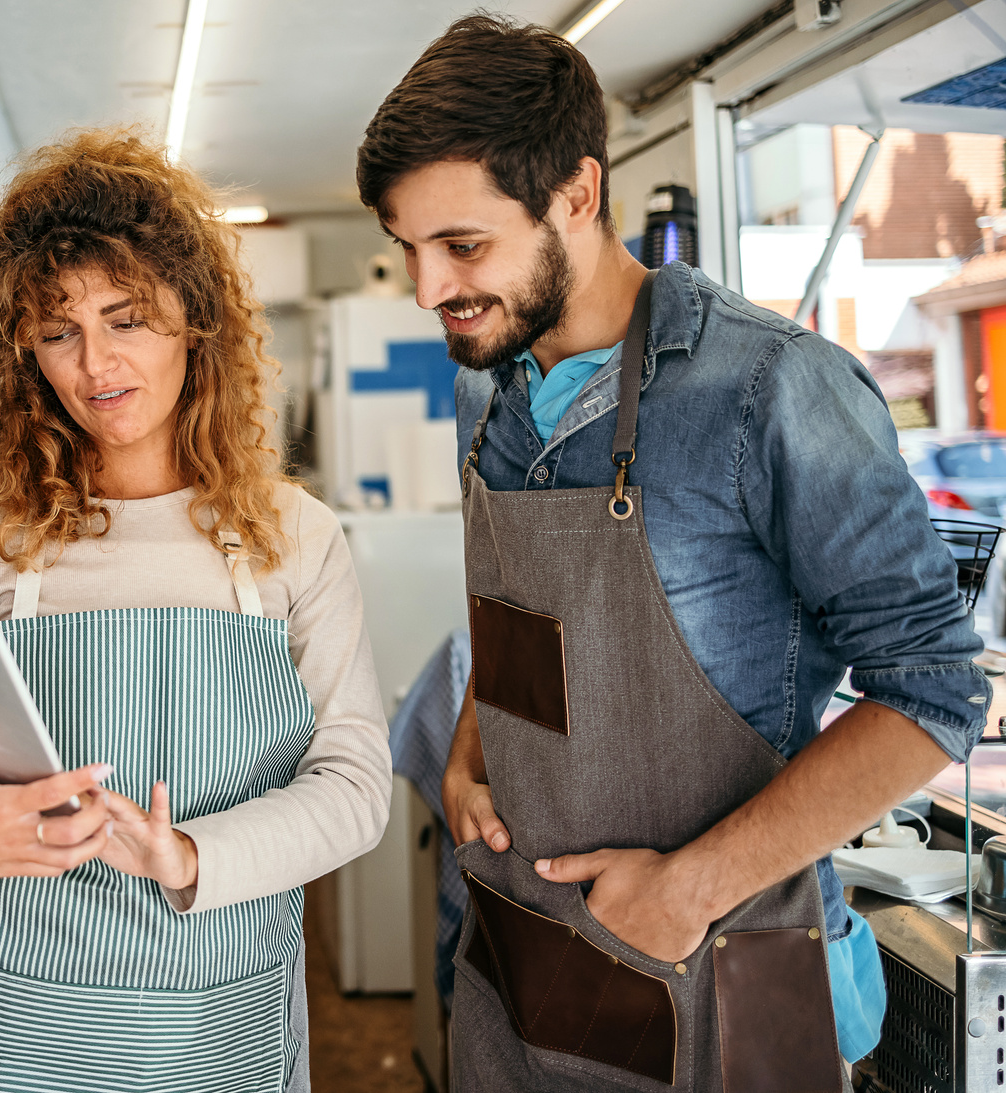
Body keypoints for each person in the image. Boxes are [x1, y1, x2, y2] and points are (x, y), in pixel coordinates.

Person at [357, 15, 986, 1092]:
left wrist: (689, 887)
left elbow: (930, 689)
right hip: (526, 956)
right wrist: (467, 752)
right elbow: (518, 616)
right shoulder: (486, 387)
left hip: (723, 961)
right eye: (406, 248)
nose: (427, 290)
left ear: (578, 194)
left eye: (462, 245)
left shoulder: (769, 390)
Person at [0, 130, 392, 1093]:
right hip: (12, 1033)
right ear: (24, 349)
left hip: (221, 1028)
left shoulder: (292, 536)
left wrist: (193, 853)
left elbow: (357, 786)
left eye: (127, 319)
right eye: (59, 330)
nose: (95, 363)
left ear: (195, 323)